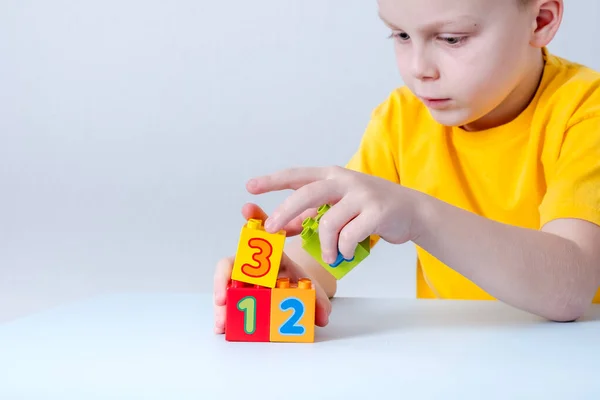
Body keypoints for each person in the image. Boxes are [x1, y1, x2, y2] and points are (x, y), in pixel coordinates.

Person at [214, 0, 600, 333]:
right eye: (400, 35)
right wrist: (287, 274)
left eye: (451, 39)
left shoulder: (585, 112)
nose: (419, 69)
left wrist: (418, 216)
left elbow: (569, 289)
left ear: (541, 21)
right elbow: (322, 256)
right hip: (456, 364)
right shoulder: (401, 121)